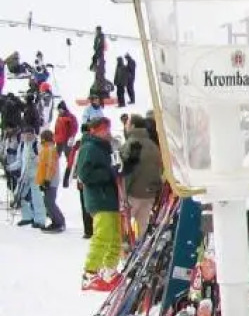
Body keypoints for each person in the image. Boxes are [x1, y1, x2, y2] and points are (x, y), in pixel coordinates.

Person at [74, 116, 123, 290]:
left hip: (110, 198)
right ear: (95, 130)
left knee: (115, 235)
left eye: (108, 129)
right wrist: (108, 174)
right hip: (100, 198)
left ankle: (108, 270)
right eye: (104, 130)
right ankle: (90, 272)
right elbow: (85, 174)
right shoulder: (89, 147)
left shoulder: (105, 148)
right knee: (102, 236)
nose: (107, 133)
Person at [119, 116, 165, 239]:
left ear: (132, 126)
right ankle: (139, 251)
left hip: (133, 194)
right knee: (142, 227)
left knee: (123, 226)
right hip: (149, 193)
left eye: (127, 124)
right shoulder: (153, 145)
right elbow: (160, 168)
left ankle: (124, 250)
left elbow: (126, 171)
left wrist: (124, 193)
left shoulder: (131, 144)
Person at [35, 128, 63, 232]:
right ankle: (59, 220)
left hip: (51, 180)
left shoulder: (50, 149)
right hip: (47, 179)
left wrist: (47, 180)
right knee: (48, 201)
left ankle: (58, 222)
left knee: (49, 202)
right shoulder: (45, 149)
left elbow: (50, 166)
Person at [54, 102, 77, 187]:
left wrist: (71, 137)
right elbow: (56, 128)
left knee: (70, 158)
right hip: (59, 140)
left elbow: (74, 128)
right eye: (58, 110)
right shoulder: (59, 117)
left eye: (60, 110)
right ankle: (54, 172)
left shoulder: (70, 117)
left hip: (67, 141)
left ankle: (73, 172)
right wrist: (55, 137)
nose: (59, 111)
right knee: (55, 157)